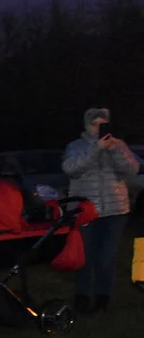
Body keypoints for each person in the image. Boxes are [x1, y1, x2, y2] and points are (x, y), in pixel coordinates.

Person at [62, 107, 140, 314]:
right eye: (94, 124)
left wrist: (114, 151)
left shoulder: (118, 145)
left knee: (107, 256)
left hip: (116, 210)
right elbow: (71, 169)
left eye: (102, 124)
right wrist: (96, 149)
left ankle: (103, 298)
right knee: (85, 256)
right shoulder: (76, 146)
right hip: (86, 210)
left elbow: (132, 170)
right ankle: (82, 296)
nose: (98, 128)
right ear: (87, 126)